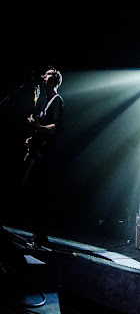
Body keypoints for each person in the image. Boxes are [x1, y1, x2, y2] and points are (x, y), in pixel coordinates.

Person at [22, 66, 64, 247]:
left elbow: (56, 128)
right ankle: (39, 235)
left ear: (54, 80)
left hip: (45, 156)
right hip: (38, 152)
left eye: (46, 75)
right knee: (31, 192)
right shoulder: (44, 101)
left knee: (31, 189)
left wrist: (38, 127)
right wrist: (32, 138)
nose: (43, 77)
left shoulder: (57, 101)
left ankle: (40, 236)